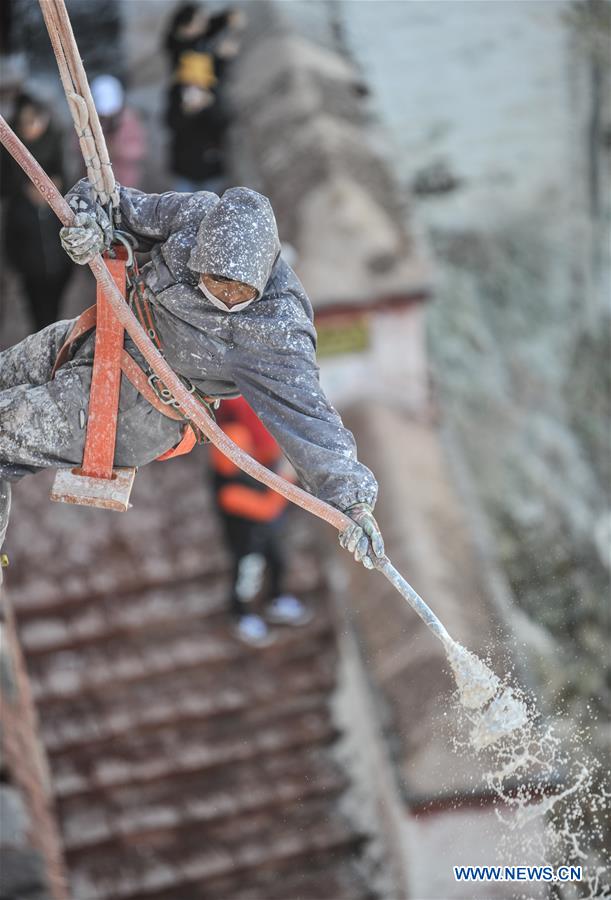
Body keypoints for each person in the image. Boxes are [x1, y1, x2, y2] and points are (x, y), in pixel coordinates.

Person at [0, 179, 384, 578]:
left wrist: (352, 503)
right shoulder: (193, 215)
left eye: (239, 292)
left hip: (137, 406)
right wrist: (89, 222)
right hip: (105, 332)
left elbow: (310, 417)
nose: (226, 297)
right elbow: (109, 200)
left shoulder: (276, 330)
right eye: (216, 281)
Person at [210, 397, 312, 647]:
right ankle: (241, 615)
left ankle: (276, 598)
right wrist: (287, 479)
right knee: (247, 579)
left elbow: (264, 454)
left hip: (265, 533)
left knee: (278, 562)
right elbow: (265, 508)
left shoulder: (250, 462)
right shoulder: (228, 489)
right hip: (245, 541)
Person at [0, 93, 73, 331]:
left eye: (36, 120)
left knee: (55, 304)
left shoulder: (57, 140)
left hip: (59, 258)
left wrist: (53, 189)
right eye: (26, 122)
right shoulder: (10, 151)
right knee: (37, 308)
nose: (32, 127)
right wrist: (25, 190)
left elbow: (69, 173)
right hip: (29, 254)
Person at [163, 2, 243, 193]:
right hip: (186, 165)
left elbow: (224, 121)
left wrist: (226, 19)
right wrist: (189, 110)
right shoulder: (180, 89)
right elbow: (171, 122)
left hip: (210, 165)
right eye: (199, 22)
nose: (204, 25)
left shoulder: (208, 88)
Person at [90, 75, 146, 190]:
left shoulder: (129, 120)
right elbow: (76, 146)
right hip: (96, 182)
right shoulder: (89, 120)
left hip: (125, 182)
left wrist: (118, 150)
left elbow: (139, 150)